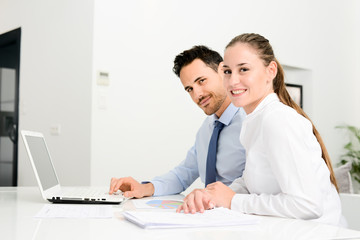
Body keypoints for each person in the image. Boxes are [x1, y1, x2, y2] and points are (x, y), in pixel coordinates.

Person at [178, 33, 342, 226]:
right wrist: (210, 195)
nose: (232, 81)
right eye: (228, 72)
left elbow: (308, 205)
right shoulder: (254, 121)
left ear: (271, 71)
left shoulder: (278, 120)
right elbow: (250, 182)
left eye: (244, 69)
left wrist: (233, 200)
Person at [109, 46, 246, 198]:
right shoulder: (207, 130)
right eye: (189, 89)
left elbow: (258, 186)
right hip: (210, 214)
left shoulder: (250, 123)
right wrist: (145, 188)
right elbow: (183, 174)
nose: (197, 95)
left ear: (223, 71)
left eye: (201, 81)